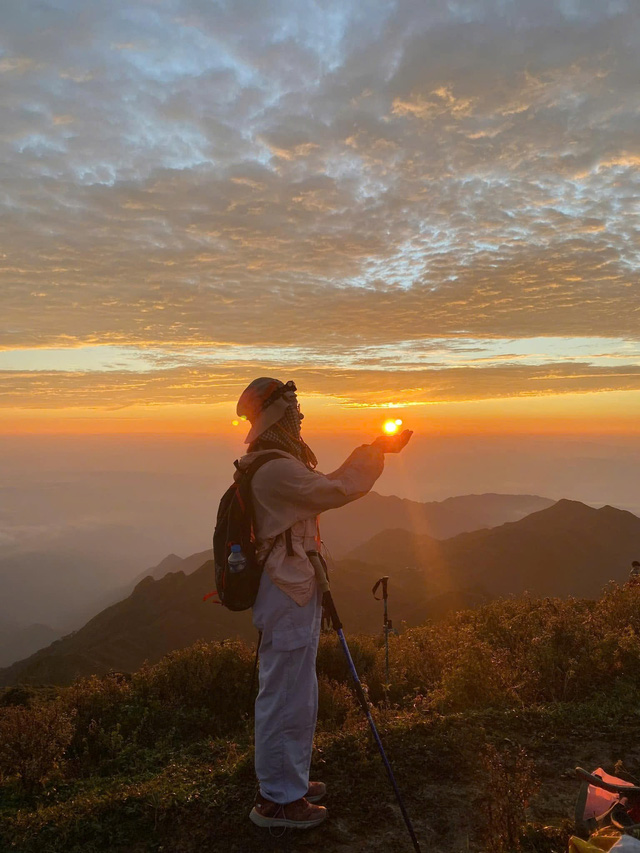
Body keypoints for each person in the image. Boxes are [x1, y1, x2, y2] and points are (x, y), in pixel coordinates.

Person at [234, 377, 412, 830]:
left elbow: (327, 484)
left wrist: (373, 449)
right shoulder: (274, 469)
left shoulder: (274, 462)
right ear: (277, 414)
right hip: (285, 588)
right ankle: (276, 801)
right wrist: (376, 452)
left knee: (297, 689)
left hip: (293, 585)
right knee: (284, 693)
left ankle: (290, 781)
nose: (301, 416)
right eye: (294, 408)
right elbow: (335, 490)